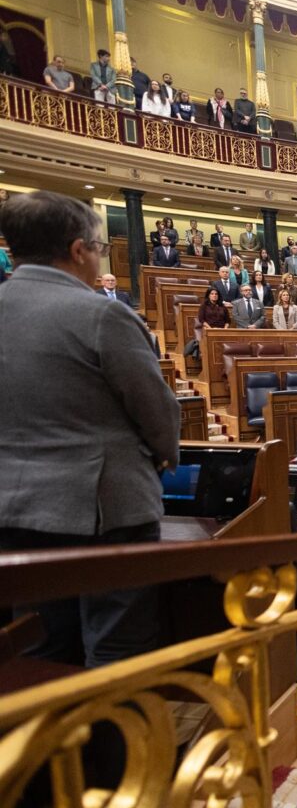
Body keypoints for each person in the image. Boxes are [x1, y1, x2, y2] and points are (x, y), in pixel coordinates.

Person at [0, 191, 180, 668]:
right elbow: (157, 413)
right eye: (99, 248)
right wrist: (164, 456)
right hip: (105, 511)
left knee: (40, 646)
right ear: (79, 250)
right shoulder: (101, 314)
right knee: (118, 646)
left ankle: (56, 743)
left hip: (13, 508)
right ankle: (115, 746)